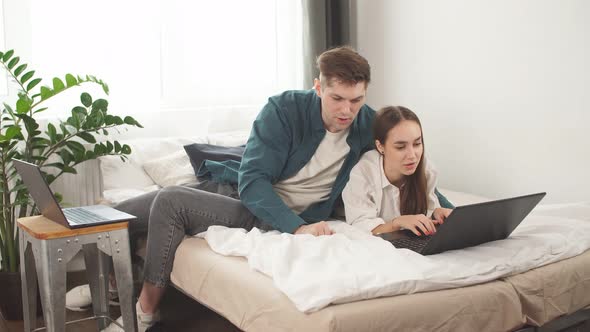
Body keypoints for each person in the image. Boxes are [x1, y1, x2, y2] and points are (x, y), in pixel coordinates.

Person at [66, 46, 376, 332]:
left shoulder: (369, 125)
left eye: (356, 100)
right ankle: (107, 288)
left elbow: (404, 162)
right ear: (318, 87)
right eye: (337, 98)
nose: (347, 111)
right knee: (111, 212)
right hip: (247, 198)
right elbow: (253, 182)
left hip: (273, 217)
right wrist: (298, 230)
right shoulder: (284, 110)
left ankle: (144, 312)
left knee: (170, 200)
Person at [342, 106, 453, 236]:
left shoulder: (426, 169)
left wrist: (436, 213)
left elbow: (429, 210)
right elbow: (360, 228)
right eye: (400, 147)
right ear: (380, 146)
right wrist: (397, 222)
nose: (412, 155)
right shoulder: (363, 174)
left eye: (417, 144)